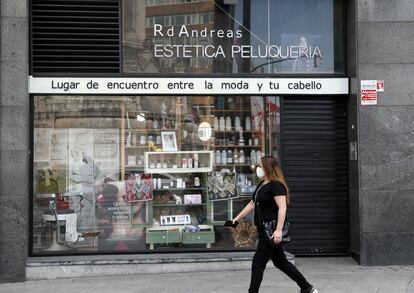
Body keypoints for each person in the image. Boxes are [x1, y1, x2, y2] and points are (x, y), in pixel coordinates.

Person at [233, 156, 318, 293]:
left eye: (260, 166)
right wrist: (236, 218)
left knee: (258, 264)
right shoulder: (262, 184)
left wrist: (278, 230)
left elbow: (282, 207)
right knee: (281, 262)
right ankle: (307, 287)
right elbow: (252, 203)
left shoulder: (276, 185)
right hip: (263, 230)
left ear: (267, 167)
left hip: (271, 230)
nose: (258, 168)